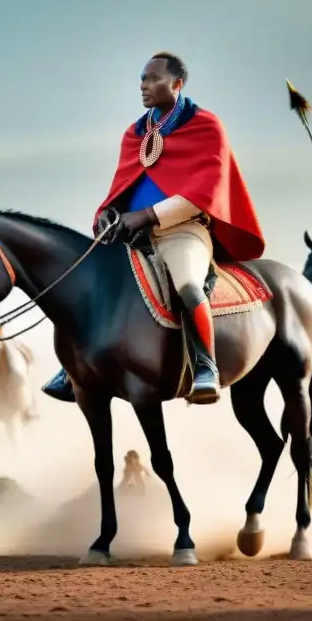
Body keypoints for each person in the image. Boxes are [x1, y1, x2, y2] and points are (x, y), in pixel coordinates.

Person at [41, 51, 266, 405]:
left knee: (190, 286)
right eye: (142, 79)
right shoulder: (135, 133)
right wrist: (109, 213)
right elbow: (122, 185)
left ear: (178, 84)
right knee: (88, 281)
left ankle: (205, 365)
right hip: (132, 234)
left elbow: (204, 195)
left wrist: (146, 215)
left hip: (184, 231)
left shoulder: (206, 126)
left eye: (153, 79)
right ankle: (75, 368)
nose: (144, 86)